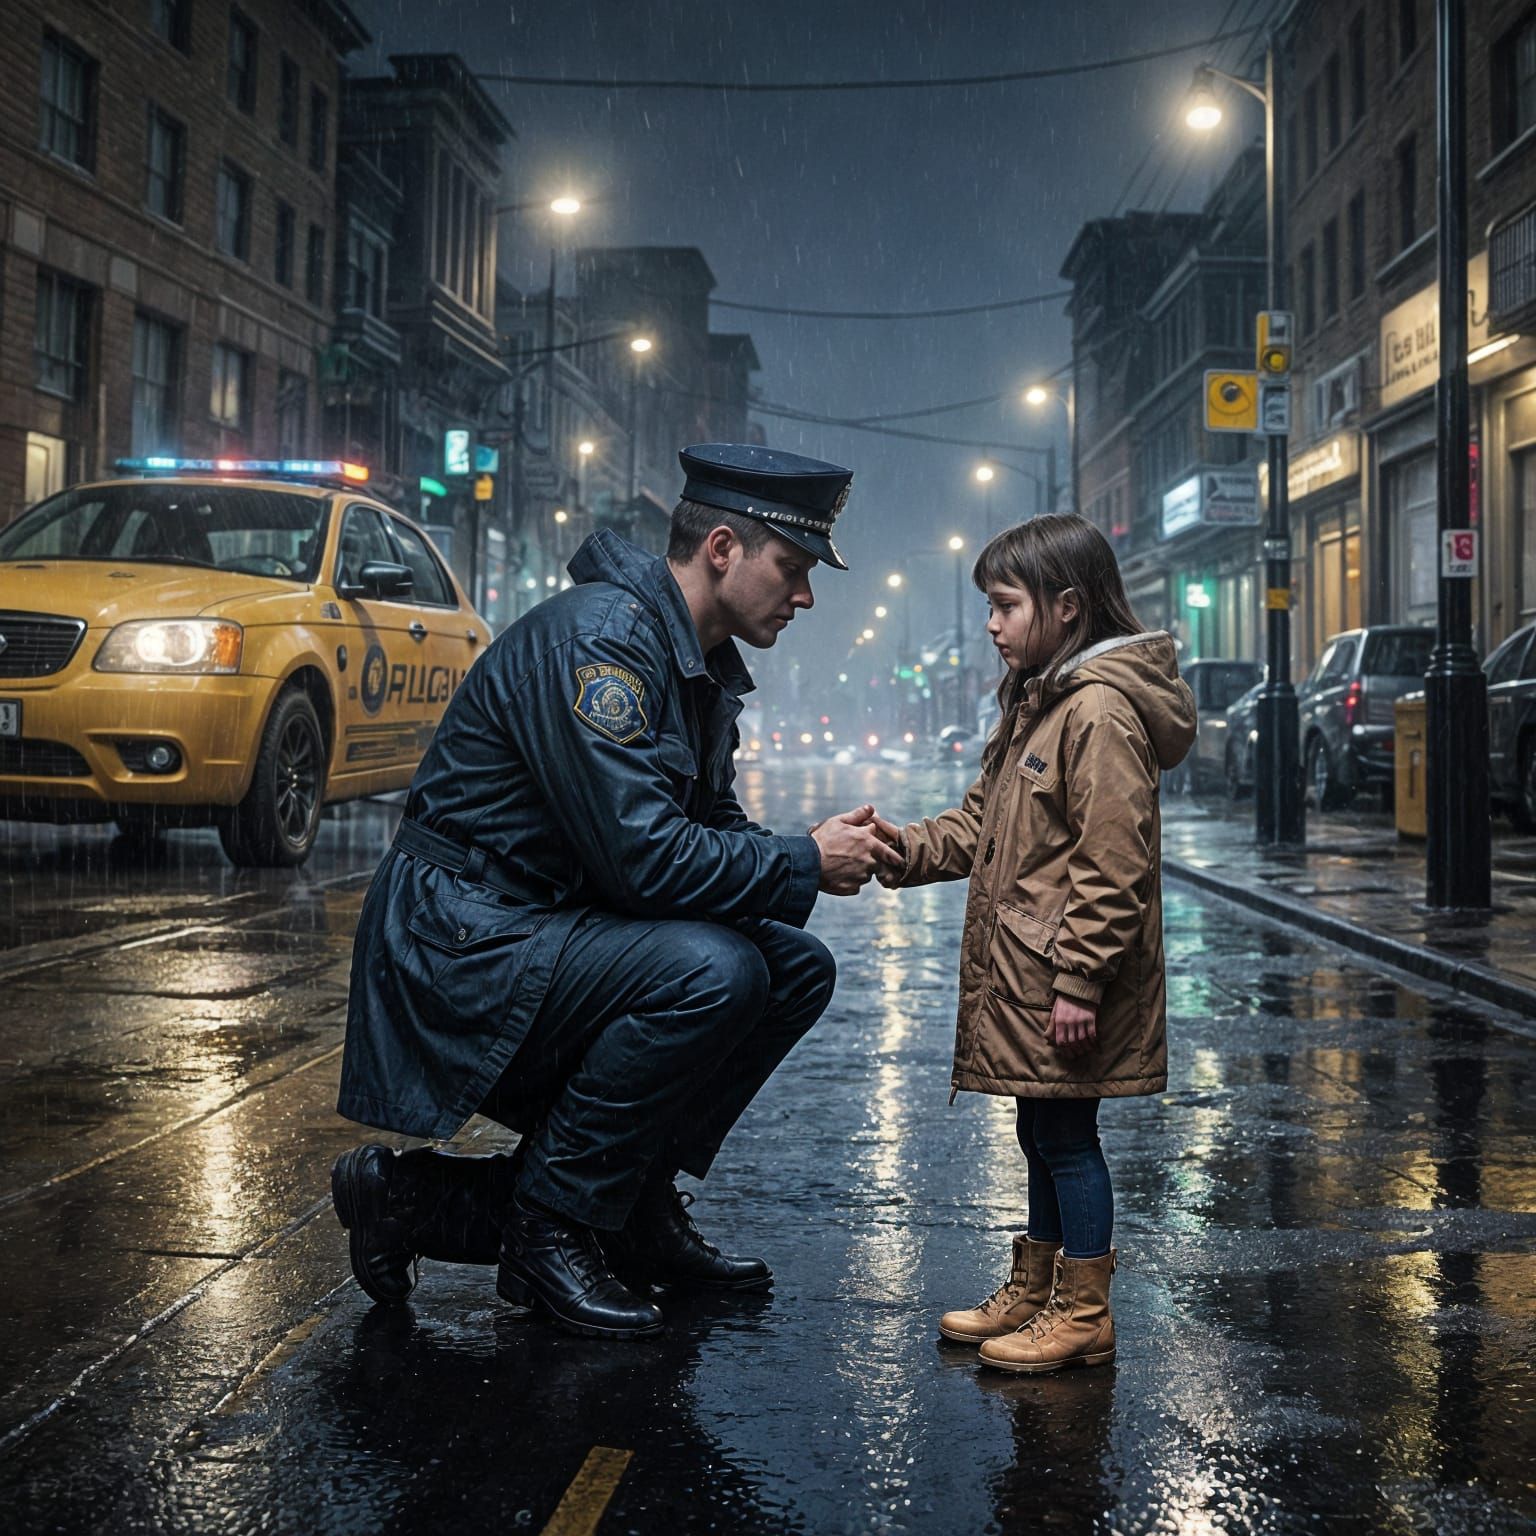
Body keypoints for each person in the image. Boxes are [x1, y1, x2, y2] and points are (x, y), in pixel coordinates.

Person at [331, 444, 902, 1341]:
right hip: (460, 943)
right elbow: (646, 862)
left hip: (539, 927)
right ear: (722, 548)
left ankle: (610, 1206)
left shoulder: (692, 663)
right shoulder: (603, 645)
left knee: (791, 967)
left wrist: (819, 851)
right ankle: (548, 1226)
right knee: (711, 971)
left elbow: (705, 830)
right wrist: (800, 861)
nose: (805, 597)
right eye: (791, 569)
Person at [873, 514, 1195, 1373]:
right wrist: (899, 849)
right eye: (988, 605)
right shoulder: (1037, 703)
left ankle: (1084, 1312)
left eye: (1005, 605)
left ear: (1066, 607)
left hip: (1062, 978)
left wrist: (1082, 980)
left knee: (1065, 1137)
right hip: (1030, 974)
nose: (991, 623)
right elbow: (982, 823)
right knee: (1039, 1127)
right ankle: (1041, 1286)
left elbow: (1114, 861)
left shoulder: (1097, 713)